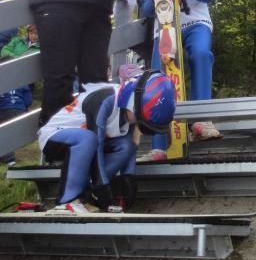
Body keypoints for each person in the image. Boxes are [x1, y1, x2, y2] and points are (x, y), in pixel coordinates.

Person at [129, 0, 220, 160]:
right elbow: (146, 12)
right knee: (158, 75)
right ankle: (159, 144)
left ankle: (202, 121)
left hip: (195, 22)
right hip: (166, 29)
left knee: (201, 54)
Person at [38, 70, 176, 213]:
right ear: (132, 103)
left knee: (126, 146)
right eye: (139, 118)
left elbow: (130, 146)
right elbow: (96, 141)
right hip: (55, 136)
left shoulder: (129, 112)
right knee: (88, 138)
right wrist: (102, 186)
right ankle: (67, 200)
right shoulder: (105, 100)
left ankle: (87, 194)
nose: (137, 123)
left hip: (89, 145)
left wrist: (128, 178)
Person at [0, 24, 39, 165]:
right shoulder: (21, 82)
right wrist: (25, 106)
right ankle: (9, 154)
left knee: (4, 134)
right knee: (11, 132)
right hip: (19, 108)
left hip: (3, 110)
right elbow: (27, 97)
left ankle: (9, 159)